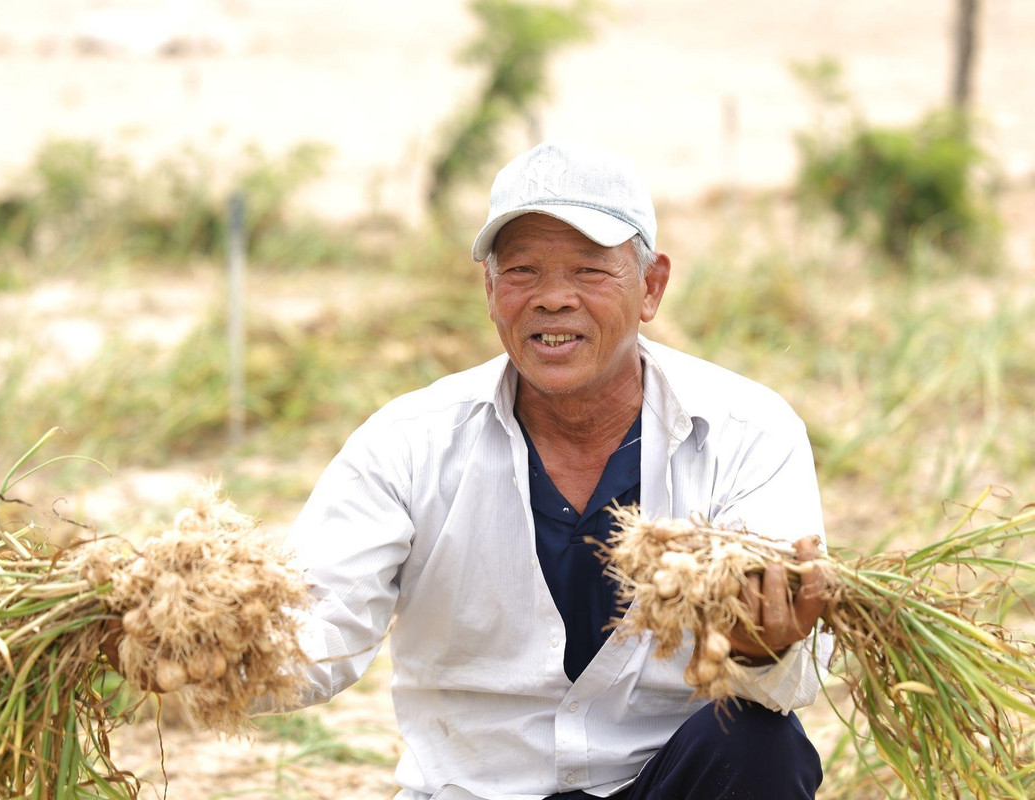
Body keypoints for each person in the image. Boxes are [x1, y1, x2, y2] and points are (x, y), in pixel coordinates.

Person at [111, 140, 831, 799]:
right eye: (523, 271)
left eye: (588, 269)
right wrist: (210, 644)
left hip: (661, 785)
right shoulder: (408, 443)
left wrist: (764, 648)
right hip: (478, 791)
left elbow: (804, 663)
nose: (553, 296)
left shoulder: (746, 432)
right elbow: (318, 627)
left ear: (650, 287)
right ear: (490, 291)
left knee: (761, 746)